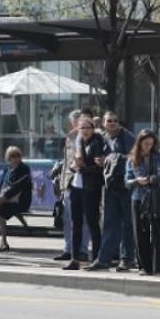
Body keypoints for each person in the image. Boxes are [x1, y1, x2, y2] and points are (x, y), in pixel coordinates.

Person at [91, 111, 137, 272]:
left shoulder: (126, 136)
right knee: (109, 223)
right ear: (103, 123)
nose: (113, 123)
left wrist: (110, 159)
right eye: (109, 121)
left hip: (125, 185)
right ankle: (104, 259)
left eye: (115, 121)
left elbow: (134, 156)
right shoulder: (102, 138)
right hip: (110, 185)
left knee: (127, 224)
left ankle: (127, 258)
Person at [126, 129, 160, 276]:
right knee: (141, 233)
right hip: (139, 197)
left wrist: (158, 178)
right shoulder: (132, 159)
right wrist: (137, 181)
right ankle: (144, 267)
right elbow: (127, 181)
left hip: (155, 196)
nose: (148, 147)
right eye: (146, 143)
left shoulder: (158, 157)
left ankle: (157, 266)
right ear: (140, 143)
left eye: (151, 144)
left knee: (157, 232)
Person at [63, 117, 104, 271]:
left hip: (90, 188)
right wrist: (76, 166)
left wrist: (82, 167)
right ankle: (75, 259)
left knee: (92, 223)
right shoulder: (78, 142)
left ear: (93, 129)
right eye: (82, 128)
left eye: (88, 128)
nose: (85, 131)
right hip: (76, 186)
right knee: (76, 223)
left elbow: (98, 169)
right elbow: (72, 166)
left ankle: (96, 258)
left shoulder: (96, 143)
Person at [54, 109, 92, 261]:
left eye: (79, 120)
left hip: (84, 182)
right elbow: (65, 163)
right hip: (69, 181)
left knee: (83, 219)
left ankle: (82, 249)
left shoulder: (90, 137)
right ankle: (68, 249)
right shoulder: (70, 137)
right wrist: (63, 185)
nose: (76, 123)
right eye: (74, 121)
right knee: (67, 218)